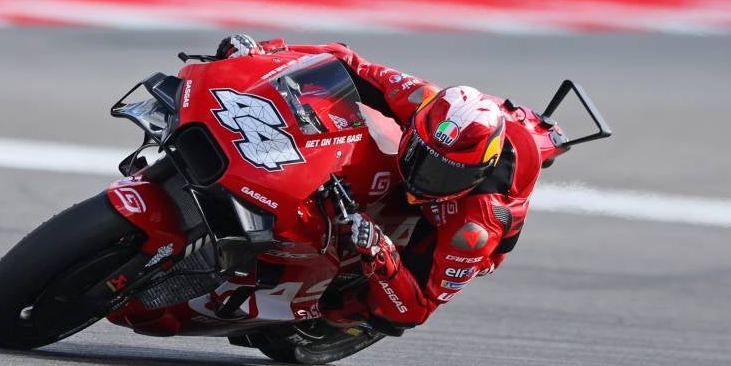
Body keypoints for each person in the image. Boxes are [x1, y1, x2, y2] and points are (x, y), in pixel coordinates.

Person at [216, 34, 542, 332]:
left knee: (362, 310)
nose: (425, 176)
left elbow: (415, 310)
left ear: (477, 174)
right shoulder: (421, 99)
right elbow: (344, 61)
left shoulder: (474, 228)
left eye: (446, 174)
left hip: (454, 223)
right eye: (422, 156)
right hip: (471, 124)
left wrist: (379, 251)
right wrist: (264, 52)